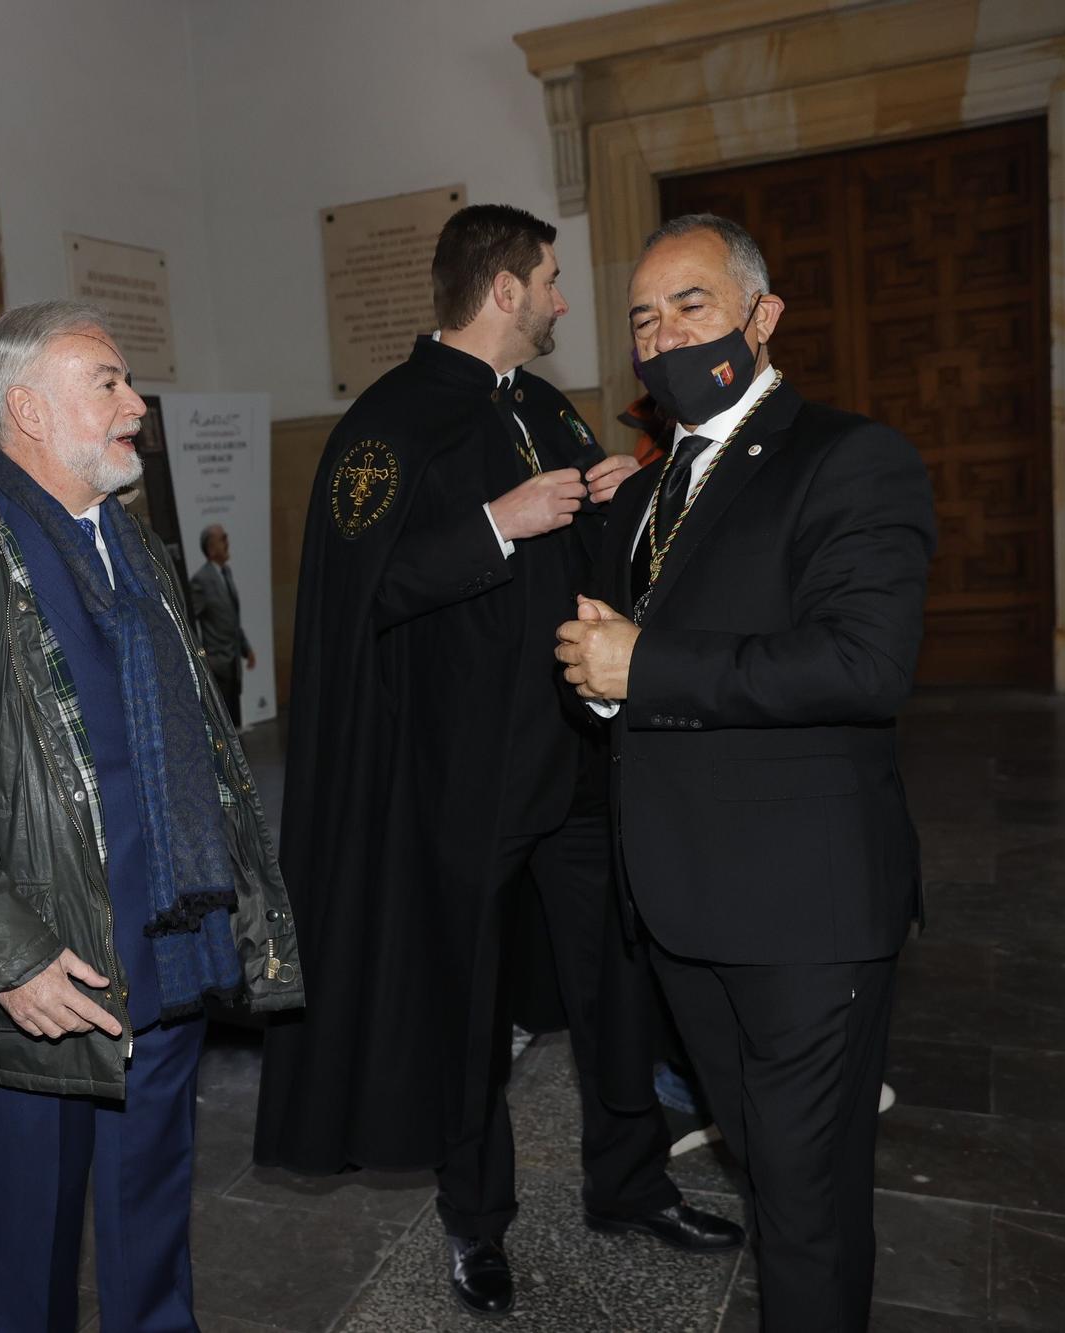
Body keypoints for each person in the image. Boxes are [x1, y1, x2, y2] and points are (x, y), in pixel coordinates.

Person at [255, 203, 740, 1322]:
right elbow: (354, 590)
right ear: (504, 288)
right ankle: (477, 1223)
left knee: (614, 982)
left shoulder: (538, 407)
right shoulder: (387, 421)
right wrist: (493, 522)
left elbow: (572, 557)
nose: (568, 301)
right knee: (466, 1005)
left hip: (575, 758)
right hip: (460, 776)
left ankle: (628, 1183)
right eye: (553, 280)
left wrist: (608, 503)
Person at [0, 300, 304, 1332]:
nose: (135, 405)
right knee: (39, 1238)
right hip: (44, 975)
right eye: (105, 383)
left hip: (166, 945)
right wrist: (7, 959)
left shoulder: (135, 547)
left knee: (152, 1221)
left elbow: (193, 743)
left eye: (126, 382)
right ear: (25, 407)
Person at [556, 212, 937, 1332]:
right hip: (681, 903)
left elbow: (863, 665)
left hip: (803, 908)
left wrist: (647, 661)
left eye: (691, 305)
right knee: (768, 1174)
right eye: (641, 317)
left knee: (807, 1206)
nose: (662, 333)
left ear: (760, 319)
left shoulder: (849, 457)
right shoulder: (648, 487)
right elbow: (651, 668)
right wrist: (601, 678)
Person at [189, 523, 254, 724]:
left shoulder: (227, 573)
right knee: (225, 725)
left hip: (233, 662)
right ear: (211, 548)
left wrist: (246, 649)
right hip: (217, 664)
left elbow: (232, 618)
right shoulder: (201, 580)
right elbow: (191, 620)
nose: (228, 543)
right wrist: (202, 656)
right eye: (223, 539)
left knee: (236, 723)